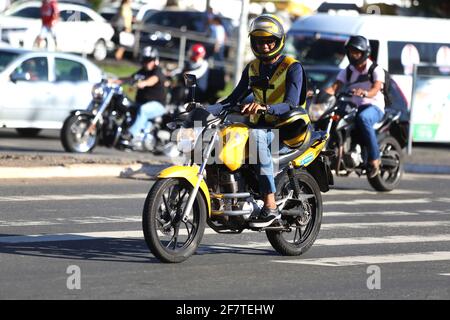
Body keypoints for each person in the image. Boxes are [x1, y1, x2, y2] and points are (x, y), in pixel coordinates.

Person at [207, 14, 306, 227]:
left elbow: (291, 103)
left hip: (288, 127)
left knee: (256, 136)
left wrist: (265, 107)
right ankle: (220, 195)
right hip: (260, 123)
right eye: (260, 41)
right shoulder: (252, 68)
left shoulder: (292, 66)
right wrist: (199, 110)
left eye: (269, 40)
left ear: (278, 41)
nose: (265, 45)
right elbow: (232, 100)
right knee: (221, 137)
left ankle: (270, 204)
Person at [324, 35, 385, 178]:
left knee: (364, 118)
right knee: (332, 117)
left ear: (365, 53)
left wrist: (365, 93)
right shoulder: (349, 70)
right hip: (353, 105)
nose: (353, 55)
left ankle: (374, 158)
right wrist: (316, 95)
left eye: (356, 52)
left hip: (373, 106)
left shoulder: (375, 69)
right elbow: (334, 87)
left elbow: (376, 89)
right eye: (351, 51)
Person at [113, 46, 167, 147]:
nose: (147, 62)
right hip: (141, 102)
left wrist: (144, 83)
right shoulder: (142, 71)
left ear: (155, 60)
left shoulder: (157, 71)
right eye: (145, 60)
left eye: (149, 60)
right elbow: (130, 78)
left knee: (143, 110)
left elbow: (153, 80)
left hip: (158, 105)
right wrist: (115, 80)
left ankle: (130, 134)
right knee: (126, 107)